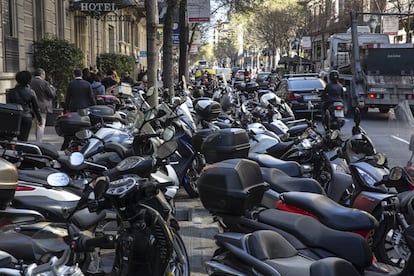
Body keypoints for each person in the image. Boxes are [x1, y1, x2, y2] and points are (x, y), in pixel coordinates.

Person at [6, 70, 42, 141]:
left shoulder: (11, 92)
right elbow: (36, 107)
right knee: (24, 139)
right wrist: (39, 118)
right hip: (26, 116)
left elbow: (8, 106)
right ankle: (21, 151)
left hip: (14, 116)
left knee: (11, 138)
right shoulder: (31, 92)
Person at [29, 68, 56, 142]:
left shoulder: (30, 82)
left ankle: (37, 139)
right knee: (41, 125)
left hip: (32, 106)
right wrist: (53, 88)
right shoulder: (45, 83)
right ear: (42, 74)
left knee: (36, 125)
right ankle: (39, 141)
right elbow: (51, 94)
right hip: (43, 107)